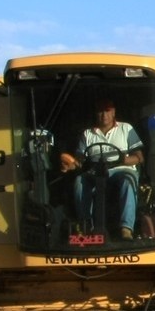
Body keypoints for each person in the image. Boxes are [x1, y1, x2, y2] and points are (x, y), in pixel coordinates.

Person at [58, 100, 143, 237]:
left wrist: (122, 160)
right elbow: (80, 161)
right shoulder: (87, 134)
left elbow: (139, 157)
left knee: (128, 180)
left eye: (107, 111)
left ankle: (126, 229)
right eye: (101, 111)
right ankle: (86, 226)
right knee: (80, 181)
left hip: (121, 170)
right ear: (96, 114)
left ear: (114, 112)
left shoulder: (126, 128)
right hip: (95, 171)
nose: (104, 115)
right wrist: (70, 165)